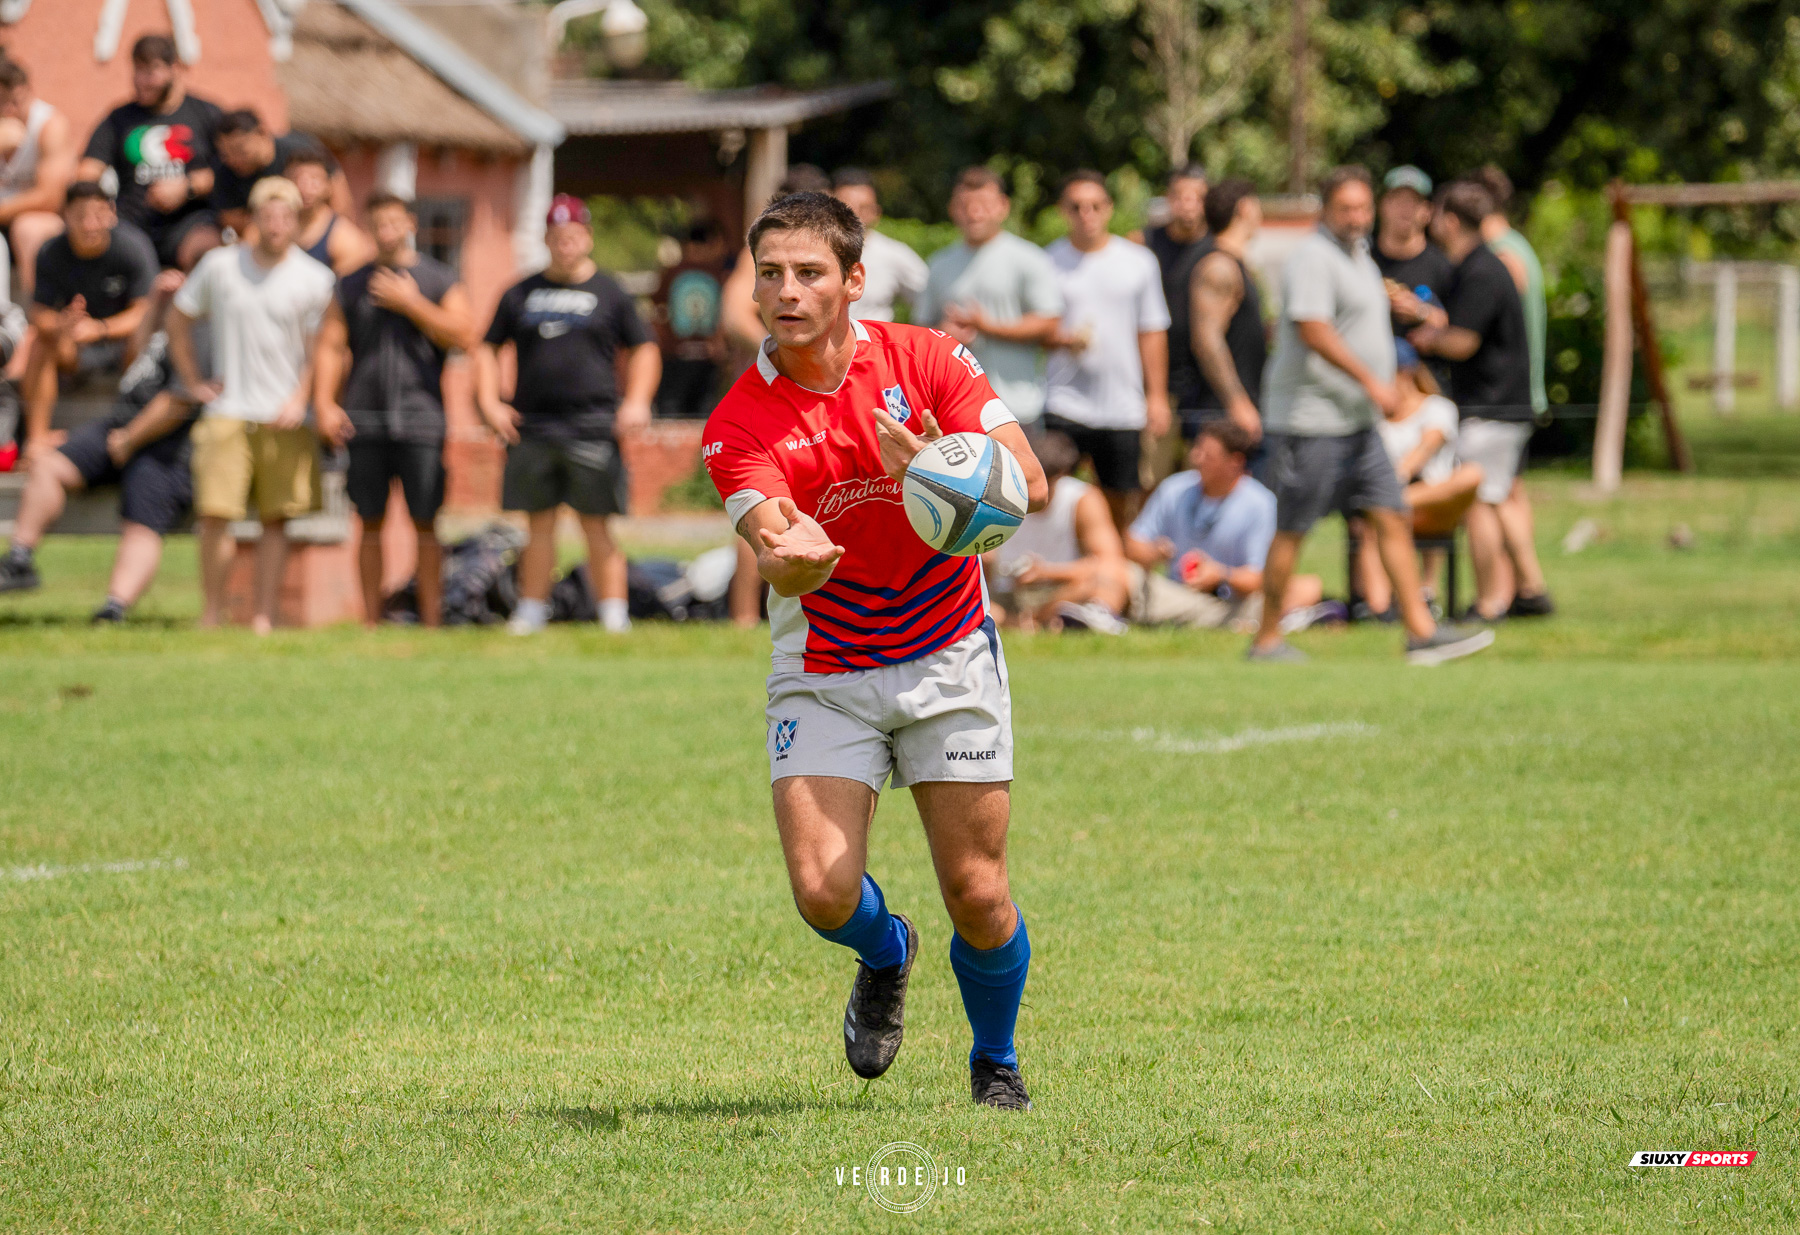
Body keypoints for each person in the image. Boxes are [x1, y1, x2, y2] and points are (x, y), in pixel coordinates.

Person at [701, 191, 1049, 1110]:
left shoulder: (928, 360)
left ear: (854, 279)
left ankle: (996, 1061)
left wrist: (940, 469)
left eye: (809, 272)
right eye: (769, 273)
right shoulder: (738, 423)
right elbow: (780, 555)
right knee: (822, 889)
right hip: (826, 670)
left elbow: (1031, 484)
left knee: (977, 891)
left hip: (947, 650)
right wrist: (793, 558)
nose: (787, 291)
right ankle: (885, 947)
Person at [1251, 165, 1492, 665]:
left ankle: (1421, 634)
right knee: (1292, 528)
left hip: (1358, 424)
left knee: (1392, 515)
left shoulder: (1358, 256)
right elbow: (1312, 329)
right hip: (1311, 421)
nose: (1357, 217)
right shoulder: (1313, 259)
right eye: (1346, 208)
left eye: (1363, 207)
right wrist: (1373, 383)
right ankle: (1266, 639)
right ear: (1326, 210)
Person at [476, 194, 660, 636]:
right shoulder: (519, 291)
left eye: (573, 235)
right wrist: (488, 401)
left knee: (597, 524)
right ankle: (532, 611)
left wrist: (636, 401)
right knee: (537, 524)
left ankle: (613, 613)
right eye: (557, 237)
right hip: (531, 426)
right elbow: (485, 347)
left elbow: (645, 348)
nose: (566, 244)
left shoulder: (611, 292)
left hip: (594, 425)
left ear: (587, 237)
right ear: (546, 239)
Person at [168, 176, 337, 634]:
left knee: (276, 522)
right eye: (268, 215)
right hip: (226, 411)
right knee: (215, 515)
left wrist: (302, 399)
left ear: (297, 220)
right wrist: (192, 381)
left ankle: (263, 616)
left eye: (286, 216)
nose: (277, 224)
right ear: (255, 218)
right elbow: (177, 318)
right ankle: (212, 613)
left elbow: (325, 348)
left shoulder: (316, 278)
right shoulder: (220, 267)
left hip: (285, 416)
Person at [314, 191, 475, 629]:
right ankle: (370, 620)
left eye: (393, 222)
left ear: (410, 224)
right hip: (364, 419)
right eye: (377, 223)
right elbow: (329, 346)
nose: (385, 231)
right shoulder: (349, 284)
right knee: (368, 522)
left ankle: (431, 620)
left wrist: (412, 304)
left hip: (422, 418)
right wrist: (326, 403)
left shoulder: (439, 279)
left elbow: (464, 335)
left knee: (425, 522)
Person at [0, 272, 201, 618]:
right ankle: (20, 559)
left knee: (143, 518)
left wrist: (130, 439)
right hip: (118, 426)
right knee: (50, 465)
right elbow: (134, 361)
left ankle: (113, 609)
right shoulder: (167, 325)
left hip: (167, 444)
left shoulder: (206, 332)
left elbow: (180, 399)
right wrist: (155, 303)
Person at [1408, 179, 1551, 623]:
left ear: (1450, 221)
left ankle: (1491, 601)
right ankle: (1531, 591)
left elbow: (1464, 342)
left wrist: (1427, 339)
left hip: (1491, 407)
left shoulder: (1480, 270)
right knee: (1503, 497)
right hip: (1504, 405)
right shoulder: (1483, 266)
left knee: (1480, 503)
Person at [1041, 170, 1170, 530]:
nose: (1087, 214)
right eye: (1077, 206)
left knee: (1120, 500)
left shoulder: (1138, 261)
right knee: (1052, 494)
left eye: (1096, 205)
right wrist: (1063, 339)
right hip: (1063, 399)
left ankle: (1114, 573)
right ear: (1063, 211)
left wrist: (1156, 396)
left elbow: (1152, 330)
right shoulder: (1047, 262)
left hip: (1122, 405)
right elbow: (1037, 329)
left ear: (1109, 209)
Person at [1124, 419, 1319, 629]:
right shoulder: (1174, 488)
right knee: (1118, 573)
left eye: (1207, 455)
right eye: (1196, 449)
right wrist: (1154, 553)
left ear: (1234, 462)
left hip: (1234, 602)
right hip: (1177, 594)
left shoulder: (1260, 503)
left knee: (1308, 587)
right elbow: (1132, 543)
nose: (1195, 458)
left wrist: (1220, 575)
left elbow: (1261, 577)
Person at [21, 182, 158, 468]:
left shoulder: (132, 246)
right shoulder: (51, 252)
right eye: (80, 215)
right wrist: (64, 324)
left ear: (112, 213)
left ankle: (135, 433)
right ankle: (36, 439)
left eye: (98, 214)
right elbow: (39, 313)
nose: (90, 224)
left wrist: (100, 328)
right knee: (39, 341)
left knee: (147, 338)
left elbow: (145, 311)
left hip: (123, 345)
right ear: (65, 215)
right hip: (74, 346)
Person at [1470, 163, 1555, 619]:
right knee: (1510, 493)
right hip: (1519, 394)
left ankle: (1516, 591)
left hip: (1507, 396)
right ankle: (1519, 591)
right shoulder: (1515, 246)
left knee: (1496, 494)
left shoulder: (1502, 255)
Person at [919, 166, 1064, 431]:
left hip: (1018, 407)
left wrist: (988, 327)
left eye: (984, 204)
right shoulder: (939, 264)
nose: (974, 213)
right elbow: (921, 332)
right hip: (954, 409)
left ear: (1003, 206)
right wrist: (945, 335)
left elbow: (1050, 322)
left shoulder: (1028, 258)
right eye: (965, 205)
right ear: (952, 209)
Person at [1355, 341, 1483, 619]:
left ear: (1406, 373)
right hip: (1390, 505)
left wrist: (1395, 483)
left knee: (1471, 475)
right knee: (1376, 518)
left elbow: (1427, 447)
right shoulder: (1373, 415)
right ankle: (1379, 608)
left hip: (1431, 501)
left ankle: (1426, 592)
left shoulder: (1438, 408)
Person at [79, 34, 222, 272]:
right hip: (130, 224)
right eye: (136, 70)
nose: (140, 81)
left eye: (150, 71)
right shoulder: (120, 119)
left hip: (190, 223)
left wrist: (187, 187)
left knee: (208, 252)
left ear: (174, 68)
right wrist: (97, 207)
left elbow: (231, 172)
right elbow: (88, 171)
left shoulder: (206, 114)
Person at [989, 429, 1129, 634]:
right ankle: (1028, 622)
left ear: (1061, 475)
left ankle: (1087, 617)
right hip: (1007, 594)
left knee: (1111, 576)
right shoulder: (994, 493)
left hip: (1059, 593)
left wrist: (1046, 572)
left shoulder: (1082, 497)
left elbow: (1109, 561)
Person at [1186, 178, 1267, 448]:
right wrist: (1237, 403)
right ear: (1244, 208)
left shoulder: (1237, 265)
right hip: (1222, 417)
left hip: (1239, 411)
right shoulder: (1219, 266)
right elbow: (1207, 340)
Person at [721, 164, 832, 352]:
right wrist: (780, 356)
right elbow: (735, 317)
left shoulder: (833, 248)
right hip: (775, 376)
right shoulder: (761, 254)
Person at [1143, 164, 1209, 477]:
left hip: (1204, 383)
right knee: (1151, 479)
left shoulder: (1218, 249)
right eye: (1181, 196)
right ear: (1169, 199)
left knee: (1200, 476)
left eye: (1197, 197)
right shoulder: (1144, 245)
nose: (1188, 204)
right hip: (1157, 384)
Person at [0, 58, 77, 299]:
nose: (9, 109)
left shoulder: (50, 125)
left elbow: (50, 198)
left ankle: (38, 315)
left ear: (27, 91)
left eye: (15, 101)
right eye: (2, 102)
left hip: (35, 219)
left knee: (30, 229)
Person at [1374, 164, 1453, 391]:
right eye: (1397, 200)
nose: (1405, 209)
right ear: (1382, 206)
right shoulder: (1361, 259)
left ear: (1427, 211)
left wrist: (1421, 312)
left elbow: (1464, 330)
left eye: (1413, 202)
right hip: (1369, 384)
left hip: (1426, 389)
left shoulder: (1443, 266)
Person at [211, 110, 349, 239]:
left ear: (262, 133)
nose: (234, 159)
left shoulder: (300, 150)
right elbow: (230, 220)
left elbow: (337, 187)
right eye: (226, 154)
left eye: (240, 150)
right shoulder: (225, 170)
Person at [651, 219, 729, 419]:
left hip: (675, 354)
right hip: (707, 355)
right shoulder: (719, 273)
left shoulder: (672, 272)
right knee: (705, 416)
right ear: (713, 242)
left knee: (670, 412)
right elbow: (725, 313)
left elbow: (658, 311)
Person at [831, 168, 928, 323]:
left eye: (863, 207)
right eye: (846, 207)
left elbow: (930, 297)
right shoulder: (812, 253)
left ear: (876, 212)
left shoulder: (893, 254)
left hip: (873, 345)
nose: (854, 215)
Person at [288, 145, 370, 276]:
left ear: (328, 186)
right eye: (297, 179)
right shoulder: (266, 227)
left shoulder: (344, 238)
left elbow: (343, 292)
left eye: (314, 179)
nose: (305, 188)